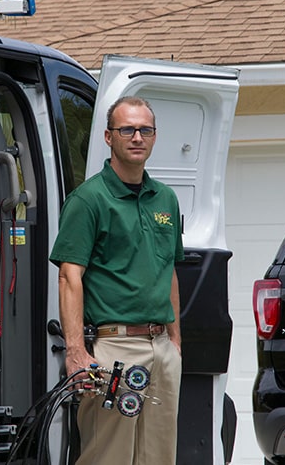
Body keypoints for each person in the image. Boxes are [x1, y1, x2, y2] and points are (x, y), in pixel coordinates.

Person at [49, 96, 183, 465]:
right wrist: (76, 353)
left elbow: (169, 270)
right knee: (108, 458)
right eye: (127, 129)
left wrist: (174, 343)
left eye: (145, 130)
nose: (137, 137)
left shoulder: (166, 200)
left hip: (161, 351)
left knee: (159, 458)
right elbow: (68, 276)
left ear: (155, 137)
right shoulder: (89, 200)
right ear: (109, 137)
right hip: (114, 352)